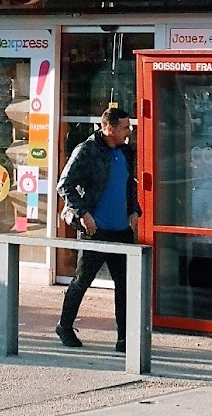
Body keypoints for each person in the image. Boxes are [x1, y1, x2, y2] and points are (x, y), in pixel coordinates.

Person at [55, 107, 141, 352]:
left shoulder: (125, 151)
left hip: (121, 230)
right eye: (125, 127)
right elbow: (65, 185)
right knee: (83, 280)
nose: (129, 131)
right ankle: (65, 325)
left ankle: (125, 337)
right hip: (96, 229)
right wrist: (84, 214)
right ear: (109, 128)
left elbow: (129, 184)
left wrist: (134, 209)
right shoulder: (87, 150)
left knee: (125, 284)